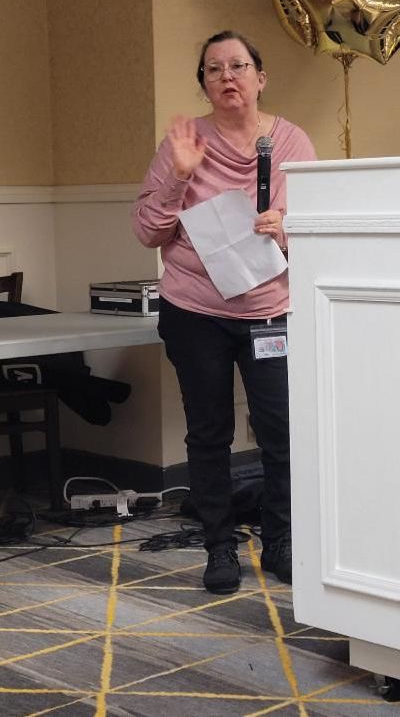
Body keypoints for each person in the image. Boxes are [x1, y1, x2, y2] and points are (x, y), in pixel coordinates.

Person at [132, 30, 316, 593]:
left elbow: (326, 228)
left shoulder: (290, 144)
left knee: (281, 432)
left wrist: (289, 228)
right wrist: (180, 176)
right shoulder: (185, 144)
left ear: (261, 78)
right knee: (207, 432)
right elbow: (147, 232)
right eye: (214, 70)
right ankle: (219, 548)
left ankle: (282, 541)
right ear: (205, 85)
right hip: (195, 311)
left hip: (269, 310)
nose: (227, 77)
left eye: (238, 66)